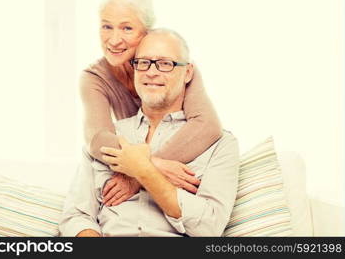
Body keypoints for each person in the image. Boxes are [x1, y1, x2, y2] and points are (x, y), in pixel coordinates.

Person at [59, 29, 239, 237]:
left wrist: (143, 170)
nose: (151, 72)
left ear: (188, 72)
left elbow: (209, 227)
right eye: (143, 62)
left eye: (165, 63)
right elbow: (76, 216)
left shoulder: (219, 144)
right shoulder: (106, 139)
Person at [81, 0, 223, 207]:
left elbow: (208, 126)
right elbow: (98, 139)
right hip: (142, 162)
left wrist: (141, 174)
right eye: (106, 27)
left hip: (187, 164)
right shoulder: (94, 77)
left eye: (127, 28)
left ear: (146, 33)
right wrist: (151, 167)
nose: (114, 40)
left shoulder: (175, 65)